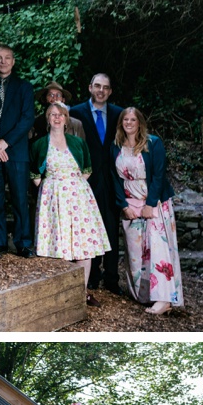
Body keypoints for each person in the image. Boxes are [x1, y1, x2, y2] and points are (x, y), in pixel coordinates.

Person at [31, 103, 110, 302]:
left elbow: (87, 169)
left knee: (84, 244)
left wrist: (74, 187)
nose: (57, 118)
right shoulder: (40, 143)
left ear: (67, 119)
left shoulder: (77, 142)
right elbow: (35, 173)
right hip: (54, 197)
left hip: (78, 197)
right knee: (60, 244)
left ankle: (81, 292)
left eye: (61, 115)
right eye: (52, 114)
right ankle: (62, 294)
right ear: (47, 118)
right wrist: (51, 188)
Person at [114, 107, 183, 315]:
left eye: (133, 119)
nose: (129, 123)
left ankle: (164, 299)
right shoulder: (116, 146)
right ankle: (143, 294)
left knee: (158, 250)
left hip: (154, 204)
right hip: (130, 206)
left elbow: (159, 176)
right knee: (135, 253)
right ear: (121, 123)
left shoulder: (153, 143)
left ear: (140, 123)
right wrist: (123, 206)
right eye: (125, 119)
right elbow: (114, 178)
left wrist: (150, 204)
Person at [68, 73, 123, 291]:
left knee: (110, 228)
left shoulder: (119, 114)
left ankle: (111, 278)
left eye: (105, 87)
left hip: (110, 180)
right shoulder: (76, 112)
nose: (101, 90)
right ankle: (91, 276)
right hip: (86, 180)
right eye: (97, 86)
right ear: (90, 87)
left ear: (110, 91)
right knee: (87, 229)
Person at [0, 44, 35, 257]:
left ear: (13, 61)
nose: (3, 61)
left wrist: (6, 142)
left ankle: (23, 242)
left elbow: (27, 119)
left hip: (15, 149)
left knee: (19, 197)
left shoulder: (24, 87)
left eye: (7, 58)